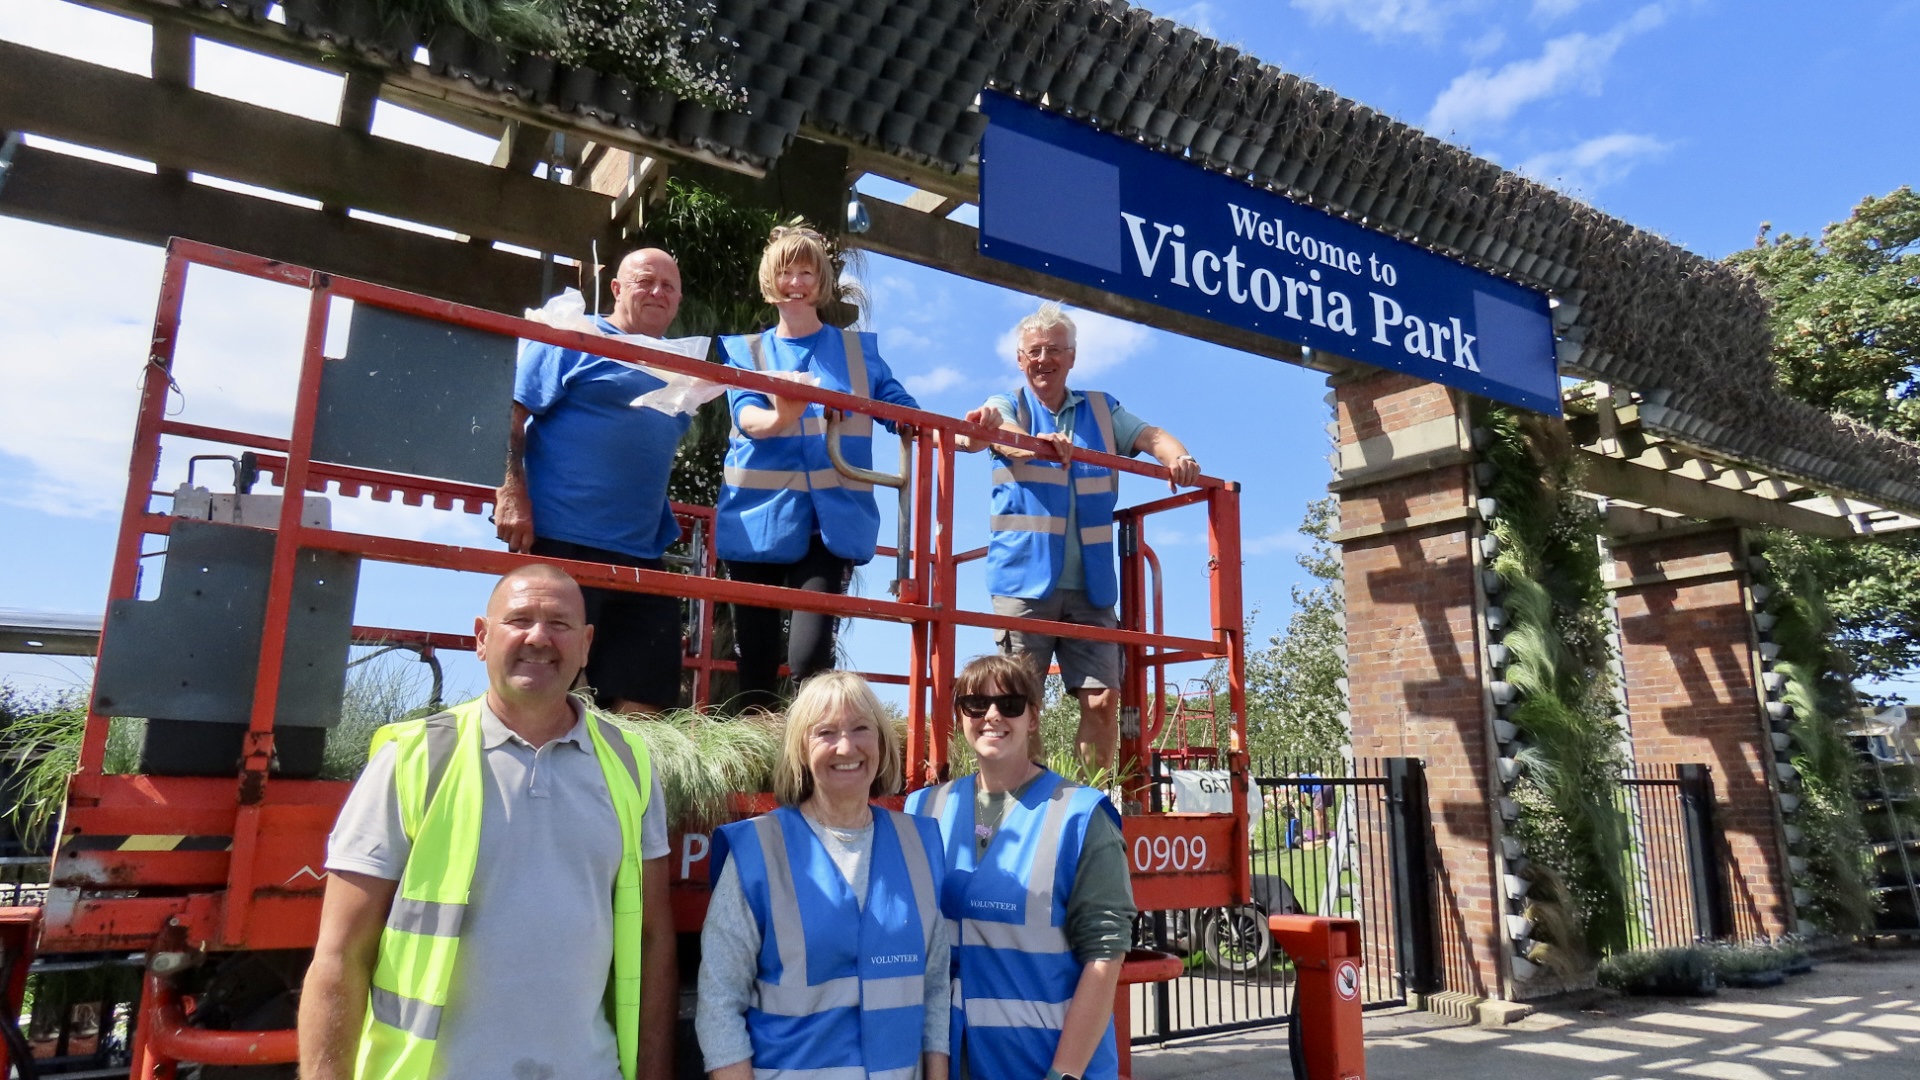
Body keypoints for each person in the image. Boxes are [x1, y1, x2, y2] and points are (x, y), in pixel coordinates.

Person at [299, 565, 677, 1080]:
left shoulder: (630, 762)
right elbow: (340, 956)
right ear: (481, 638)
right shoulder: (412, 759)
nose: (539, 638)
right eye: (519, 619)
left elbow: (653, 939)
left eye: (560, 624)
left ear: (587, 645)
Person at [958, 301, 1200, 772]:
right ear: (1019, 359)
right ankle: (1027, 797)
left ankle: (1088, 800)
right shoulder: (1009, 405)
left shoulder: (1101, 409)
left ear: (1072, 356)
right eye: (1033, 351)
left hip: (1092, 585)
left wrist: (1179, 458)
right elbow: (996, 432)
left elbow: (1150, 436)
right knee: (1017, 705)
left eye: (1053, 349)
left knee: (1103, 700)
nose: (1043, 359)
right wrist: (1033, 442)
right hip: (1023, 583)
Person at [696, 671, 950, 1080]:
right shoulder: (760, 850)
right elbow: (720, 1001)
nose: (846, 746)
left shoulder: (917, 844)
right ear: (801, 749)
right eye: (826, 733)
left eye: (861, 728)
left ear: (883, 743)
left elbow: (934, 988)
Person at [717, 225, 919, 711]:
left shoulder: (856, 352)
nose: (796, 281)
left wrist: (913, 423)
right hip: (757, 519)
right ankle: (757, 769)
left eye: (807, 271)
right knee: (757, 664)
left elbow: (897, 404)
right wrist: (781, 414)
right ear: (771, 278)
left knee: (809, 659)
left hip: (830, 522)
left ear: (821, 281)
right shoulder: (746, 352)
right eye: (786, 271)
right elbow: (747, 417)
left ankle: (808, 760)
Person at [907, 654, 1136, 1080]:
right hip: (950, 1062)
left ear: (1033, 718)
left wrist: (1064, 1073)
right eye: (976, 704)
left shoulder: (1082, 815)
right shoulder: (922, 809)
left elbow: (1105, 956)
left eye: (1010, 704)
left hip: (1045, 1062)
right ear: (961, 717)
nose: (992, 715)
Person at [494, 248, 692, 714]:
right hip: (564, 540)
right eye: (645, 281)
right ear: (617, 289)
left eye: (669, 286)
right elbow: (512, 411)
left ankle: (614, 787)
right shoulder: (574, 337)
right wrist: (511, 489)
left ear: (679, 301)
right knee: (542, 679)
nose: (657, 292)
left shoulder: (683, 368)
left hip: (643, 551)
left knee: (646, 693)